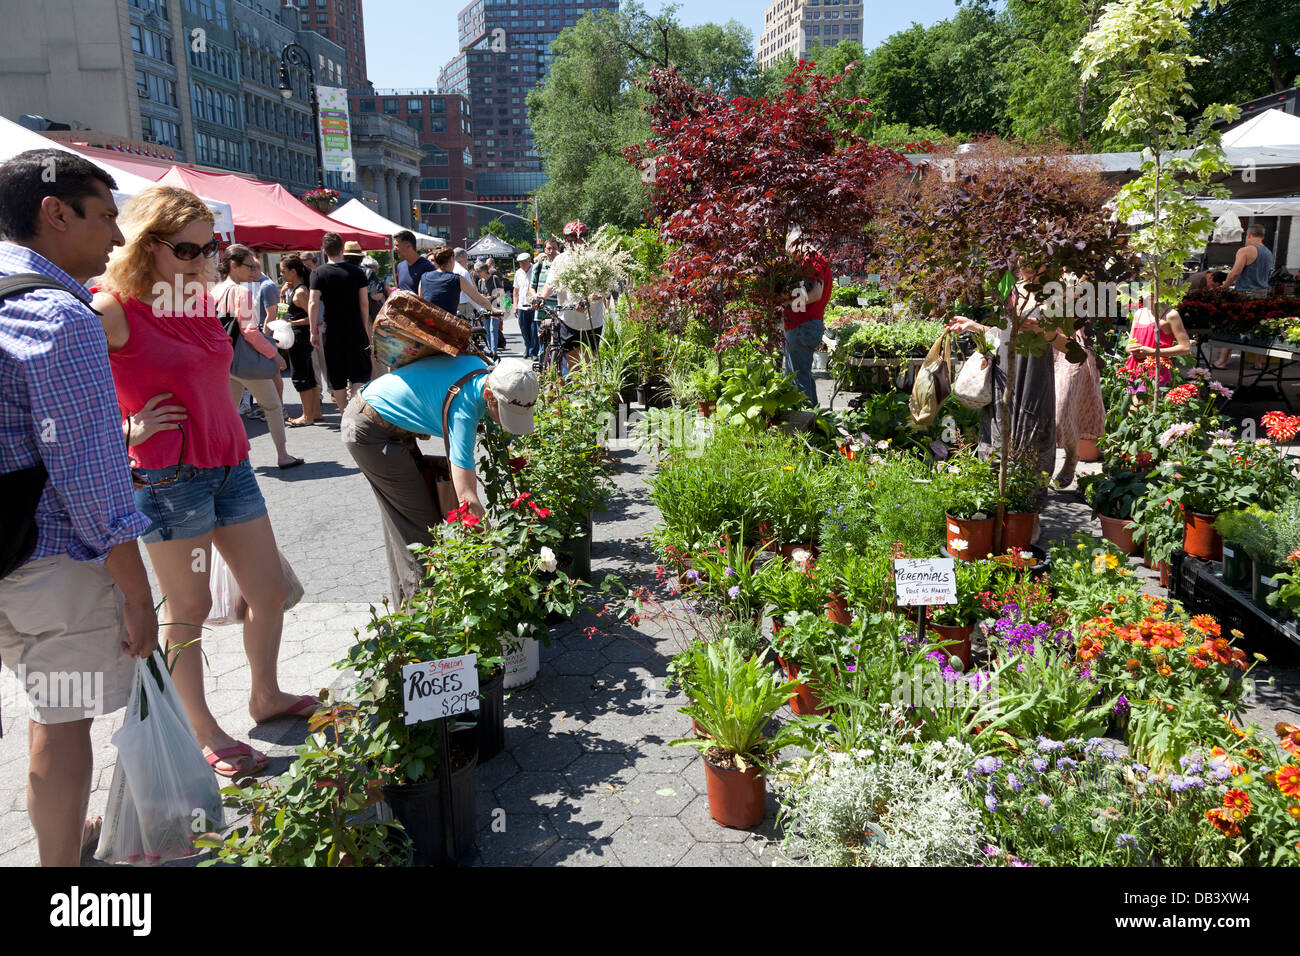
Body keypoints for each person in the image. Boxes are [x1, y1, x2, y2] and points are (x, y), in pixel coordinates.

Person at [91, 184, 312, 779]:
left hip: (231, 467)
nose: (202, 259)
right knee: (186, 608)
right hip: (169, 479)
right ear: (146, 246)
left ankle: (264, 697)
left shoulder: (193, 300)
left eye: (207, 247)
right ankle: (202, 728)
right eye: (185, 250)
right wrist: (125, 430)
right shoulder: (110, 306)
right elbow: (54, 386)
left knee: (266, 593)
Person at [0, 149, 158, 866]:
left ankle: (60, 843)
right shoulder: (61, 318)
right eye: (104, 217)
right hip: (51, 562)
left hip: (8, 553)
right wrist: (137, 592)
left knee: (44, 708)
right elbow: (91, 483)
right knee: (60, 721)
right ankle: (62, 875)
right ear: (53, 213)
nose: (118, 239)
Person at [342, 356, 539, 604]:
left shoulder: (479, 368)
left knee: (402, 524)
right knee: (422, 531)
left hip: (385, 423)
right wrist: (496, 553)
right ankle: (425, 624)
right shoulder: (464, 409)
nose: (504, 421)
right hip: (369, 430)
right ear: (489, 395)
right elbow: (466, 498)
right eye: (505, 413)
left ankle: (406, 613)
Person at [946, 272, 1073, 481]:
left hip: (1033, 378)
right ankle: (998, 507)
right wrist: (972, 326)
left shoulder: (1055, 291)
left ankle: (1028, 509)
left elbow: (1070, 347)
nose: (1026, 258)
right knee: (996, 452)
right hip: (1003, 377)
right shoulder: (1007, 284)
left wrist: (1044, 332)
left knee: (1031, 451)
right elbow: (1003, 332)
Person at [212, 244, 303, 469]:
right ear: (233, 266)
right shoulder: (241, 291)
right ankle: (282, 455)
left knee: (229, 411)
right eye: (250, 267)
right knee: (272, 406)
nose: (255, 272)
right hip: (246, 361)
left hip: (225, 361)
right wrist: (274, 355)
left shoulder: (213, 291)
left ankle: (226, 456)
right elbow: (249, 331)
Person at [309, 232, 372, 411]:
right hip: (354, 328)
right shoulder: (357, 272)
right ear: (342, 249)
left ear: (324, 250)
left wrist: (312, 330)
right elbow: (364, 303)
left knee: (336, 375)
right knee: (359, 373)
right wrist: (364, 329)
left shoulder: (318, 273)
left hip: (332, 330)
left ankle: (344, 413)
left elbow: (313, 303)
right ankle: (356, 411)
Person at [532, 221, 604, 373]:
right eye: (567, 241)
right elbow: (550, 284)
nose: (570, 244)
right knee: (572, 364)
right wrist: (541, 298)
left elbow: (602, 289)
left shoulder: (595, 258)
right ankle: (577, 394)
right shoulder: (560, 259)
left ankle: (590, 394)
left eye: (574, 241)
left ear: (584, 239)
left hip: (591, 321)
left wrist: (587, 300)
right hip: (568, 320)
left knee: (589, 363)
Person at [781, 232, 831, 406]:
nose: (791, 257)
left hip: (803, 325)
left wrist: (786, 302)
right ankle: (814, 420)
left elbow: (815, 293)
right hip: (805, 325)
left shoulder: (810, 259)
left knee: (798, 380)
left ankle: (804, 424)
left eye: (790, 251)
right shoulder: (815, 259)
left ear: (794, 245)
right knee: (803, 376)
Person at [278, 255, 320, 426]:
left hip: (300, 339)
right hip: (299, 338)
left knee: (301, 377)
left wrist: (293, 322)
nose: (282, 275)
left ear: (293, 271)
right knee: (307, 375)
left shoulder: (300, 292)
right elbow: (283, 312)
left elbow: (313, 317)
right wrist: (282, 293)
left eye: (283, 271)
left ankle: (307, 415)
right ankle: (314, 413)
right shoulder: (295, 290)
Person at [1120, 298, 1193, 387]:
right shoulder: (1138, 313)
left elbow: (1185, 348)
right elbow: (1129, 344)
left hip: (1155, 371)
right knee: (1135, 400)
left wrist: (1153, 352)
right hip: (1133, 369)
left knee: (1145, 400)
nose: (1151, 291)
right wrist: (1129, 348)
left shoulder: (1171, 315)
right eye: (1147, 286)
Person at [243, 255, 285, 408]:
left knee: (273, 373)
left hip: (266, 333)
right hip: (259, 332)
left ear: (253, 269)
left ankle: (279, 407)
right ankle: (268, 407)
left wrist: (266, 339)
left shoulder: (266, 285)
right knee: (265, 373)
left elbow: (271, 314)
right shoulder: (257, 284)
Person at [419, 245, 502, 320]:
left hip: (430, 323)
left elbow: (421, 301)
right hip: (447, 325)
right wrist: (494, 310)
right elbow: (479, 300)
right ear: (452, 260)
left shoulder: (424, 277)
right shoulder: (456, 279)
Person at [1225, 224, 1274, 297]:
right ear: (1262, 237)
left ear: (1249, 235)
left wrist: (1225, 286)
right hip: (1263, 293)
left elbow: (1235, 273)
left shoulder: (1245, 250)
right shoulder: (1268, 252)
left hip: (1246, 293)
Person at [393, 230, 433, 294]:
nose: (394, 249)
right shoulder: (400, 266)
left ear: (408, 246)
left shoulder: (428, 267)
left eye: (397, 245)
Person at [513, 251, 536, 358]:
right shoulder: (518, 273)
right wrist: (515, 306)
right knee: (523, 329)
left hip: (533, 305)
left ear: (529, 261)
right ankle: (527, 346)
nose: (521, 265)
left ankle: (533, 351)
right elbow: (515, 291)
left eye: (523, 262)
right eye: (519, 263)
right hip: (522, 305)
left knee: (533, 329)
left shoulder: (535, 270)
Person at [453, 246, 474, 319]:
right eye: (466, 257)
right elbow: (472, 293)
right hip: (464, 306)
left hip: (452, 305)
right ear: (461, 257)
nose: (467, 260)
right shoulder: (463, 272)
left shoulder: (449, 269)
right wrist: (481, 308)